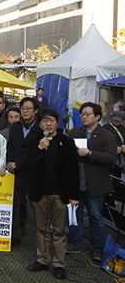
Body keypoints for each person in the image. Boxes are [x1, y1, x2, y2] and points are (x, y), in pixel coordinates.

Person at [24, 108, 79, 280]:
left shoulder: (67, 142)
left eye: (52, 120)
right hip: (40, 193)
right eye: (45, 121)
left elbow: (74, 170)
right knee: (41, 228)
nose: (48, 124)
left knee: (59, 230)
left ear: (57, 122)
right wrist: (40, 148)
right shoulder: (33, 140)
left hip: (60, 194)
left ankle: (59, 264)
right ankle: (42, 259)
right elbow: (27, 163)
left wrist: (74, 195)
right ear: (39, 123)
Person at [67, 102, 117, 262]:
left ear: (97, 116)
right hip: (76, 181)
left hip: (96, 182)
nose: (84, 117)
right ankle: (75, 243)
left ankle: (97, 248)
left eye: (88, 114)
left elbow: (111, 157)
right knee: (75, 214)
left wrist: (90, 153)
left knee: (96, 216)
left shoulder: (107, 135)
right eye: (82, 114)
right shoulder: (74, 132)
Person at [6, 97, 41, 243]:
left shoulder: (40, 129)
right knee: (15, 206)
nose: (25, 111)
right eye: (23, 108)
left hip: (33, 172)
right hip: (16, 171)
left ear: (36, 111)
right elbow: (11, 146)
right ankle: (15, 236)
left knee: (37, 208)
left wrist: (18, 164)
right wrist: (10, 162)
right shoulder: (16, 126)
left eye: (28, 108)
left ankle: (40, 240)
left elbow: (35, 153)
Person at [104, 110, 125, 177]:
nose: (116, 122)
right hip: (110, 154)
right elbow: (104, 140)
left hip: (121, 155)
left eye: (118, 120)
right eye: (115, 120)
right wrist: (114, 147)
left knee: (118, 174)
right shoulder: (106, 127)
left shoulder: (123, 128)